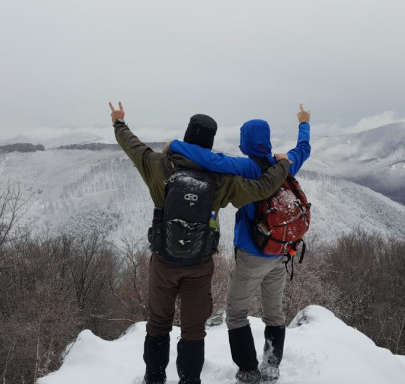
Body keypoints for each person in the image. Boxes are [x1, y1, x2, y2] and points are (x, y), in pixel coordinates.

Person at [109, 101, 292, 384]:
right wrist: (282, 164)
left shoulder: (159, 166)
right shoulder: (220, 179)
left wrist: (119, 122)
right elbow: (263, 187)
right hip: (199, 265)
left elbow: (132, 146)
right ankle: (189, 379)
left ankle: (155, 378)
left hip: (164, 263)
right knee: (193, 330)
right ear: (210, 144)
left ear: (186, 136)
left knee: (158, 324)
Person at [167, 104, 311, 383]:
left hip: (252, 254)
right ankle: (271, 365)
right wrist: (304, 123)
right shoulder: (284, 164)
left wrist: (176, 145)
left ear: (246, 142)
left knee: (235, 312)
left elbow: (210, 160)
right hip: (281, 252)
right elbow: (304, 148)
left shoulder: (247, 166)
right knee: (274, 311)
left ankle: (247, 369)